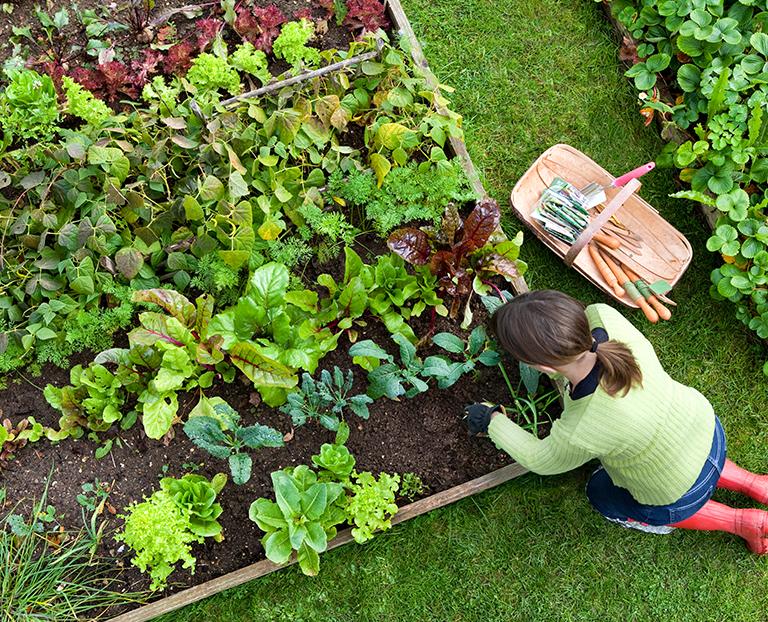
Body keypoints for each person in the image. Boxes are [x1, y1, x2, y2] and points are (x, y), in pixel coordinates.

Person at [464, 289, 768, 553]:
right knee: (686, 455)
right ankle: (755, 483)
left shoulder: (583, 425)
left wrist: (491, 419)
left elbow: (540, 459)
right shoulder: (607, 319)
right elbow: (590, 313)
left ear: (543, 366)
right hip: (707, 429)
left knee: (601, 494)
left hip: (675, 491)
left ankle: (741, 522)